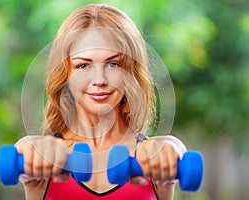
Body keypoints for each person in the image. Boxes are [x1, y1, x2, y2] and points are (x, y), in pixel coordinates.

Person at [15, 4, 187, 200]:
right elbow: (25, 147)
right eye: (83, 65)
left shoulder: (154, 158)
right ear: (65, 74)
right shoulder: (44, 159)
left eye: (113, 64)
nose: (99, 80)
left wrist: (172, 148)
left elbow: (173, 148)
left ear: (131, 72)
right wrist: (28, 149)